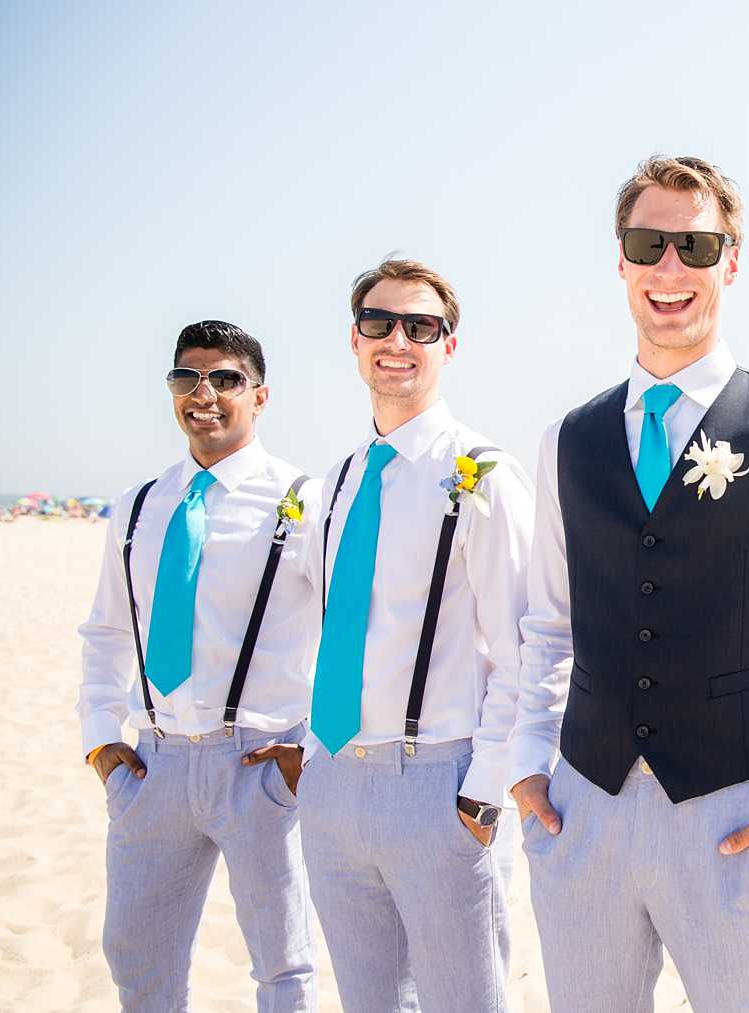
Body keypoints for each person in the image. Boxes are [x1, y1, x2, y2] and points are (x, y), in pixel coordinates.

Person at [504, 155, 749, 1012]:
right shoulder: (564, 440)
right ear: (621, 261)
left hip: (739, 814)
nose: (670, 268)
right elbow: (546, 624)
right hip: (584, 806)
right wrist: (529, 762)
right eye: (649, 244)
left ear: (732, 259)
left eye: (696, 245)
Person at [300, 259, 534, 1012]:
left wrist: (481, 790)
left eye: (421, 327)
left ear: (448, 346)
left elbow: (526, 646)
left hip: (438, 781)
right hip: (333, 781)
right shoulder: (332, 483)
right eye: (380, 323)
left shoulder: (484, 473)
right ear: (355, 339)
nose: (397, 340)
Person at [77, 320, 318, 1011]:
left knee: (282, 965)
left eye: (225, 378)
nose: (203, 393)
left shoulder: (301, 500)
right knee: (137, 958)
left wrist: (308, 748)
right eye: (187, 378)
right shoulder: (139, 505)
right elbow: (105, 630)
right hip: (152, 767)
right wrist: (101, 739)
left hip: (259, 764)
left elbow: (345, 637)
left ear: (260, 394)